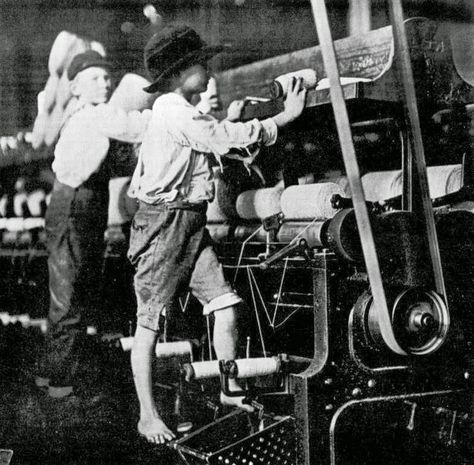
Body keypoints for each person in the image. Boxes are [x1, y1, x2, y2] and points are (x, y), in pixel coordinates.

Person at [128, 23, 307, 444]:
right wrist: (284, 118)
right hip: (163, 224)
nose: (209, 71)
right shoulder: (172, 109)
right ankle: (147, 414)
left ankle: (229, 386)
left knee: (225, 303)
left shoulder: (182, 110)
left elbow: (215, 141)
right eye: (201, 64)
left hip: (189, 221)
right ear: (176, 73)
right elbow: (223, 138)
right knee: (149, 324)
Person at [35, 50, 151, 400]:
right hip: (75, 204)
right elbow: (138, 127)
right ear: (74, 87)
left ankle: (53, 375)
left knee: (69, 290)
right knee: (70, 292)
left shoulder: (79, 116)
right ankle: (62, 389)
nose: (106, 83)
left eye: (106, 78)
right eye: (96, 79)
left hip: (77, 203)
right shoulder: (95, 114)